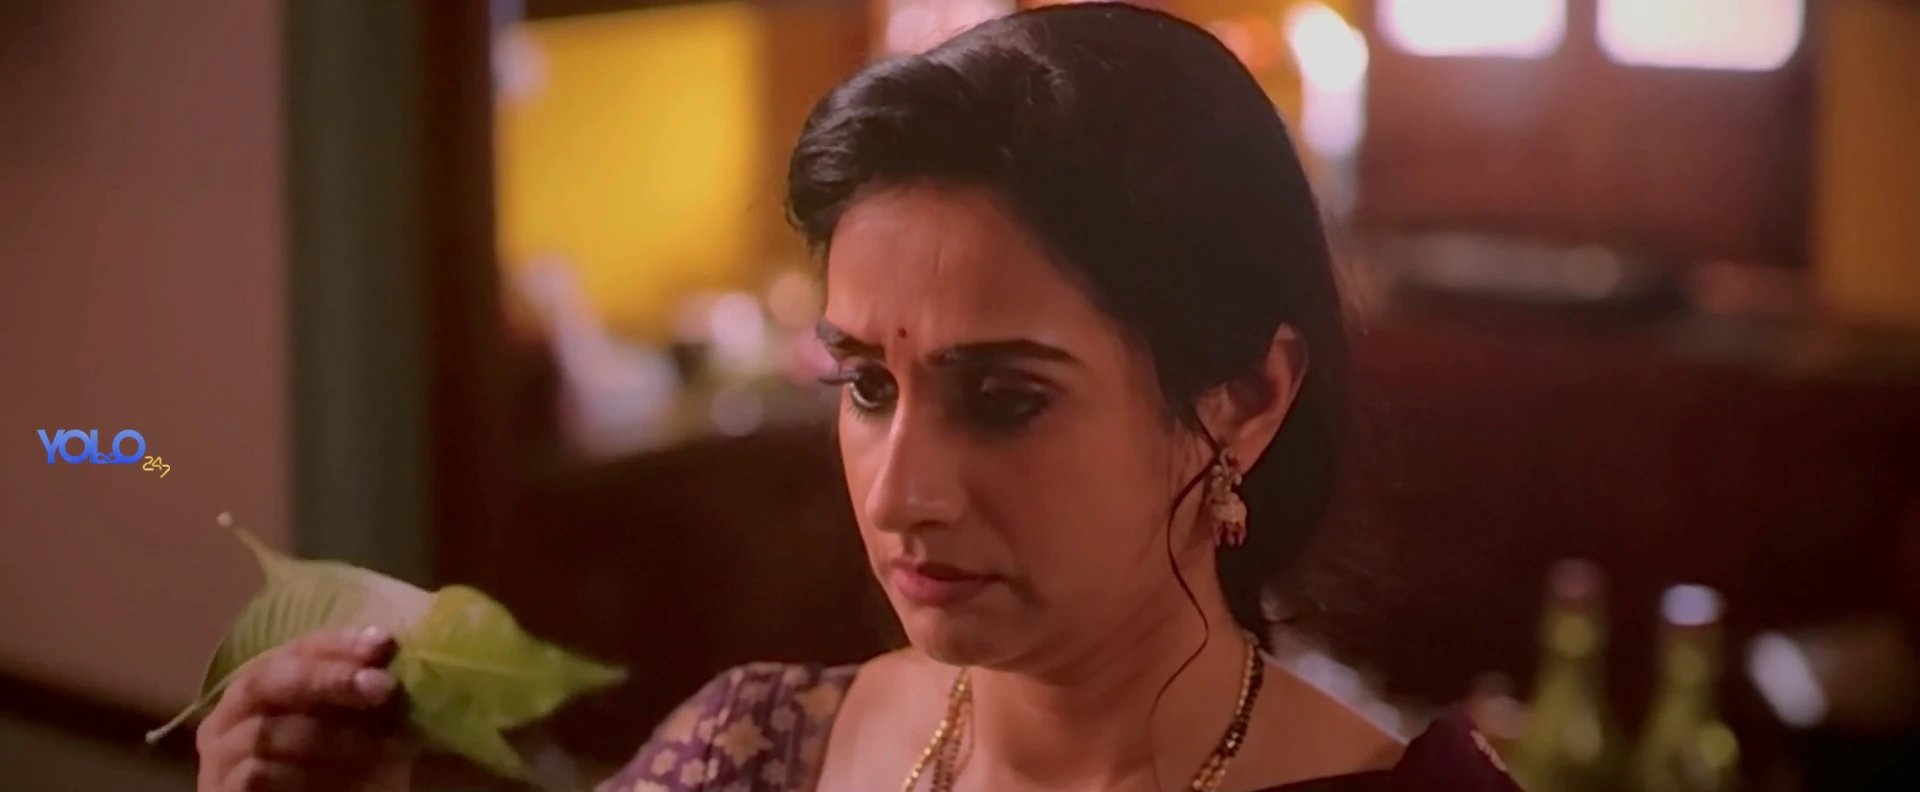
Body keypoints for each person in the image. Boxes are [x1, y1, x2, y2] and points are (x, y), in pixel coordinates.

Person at [192, 4, 1521, 791]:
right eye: (868, 385)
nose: (898, 493)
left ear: (1240, 399)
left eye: (1004, 397)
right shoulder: (756, 753)